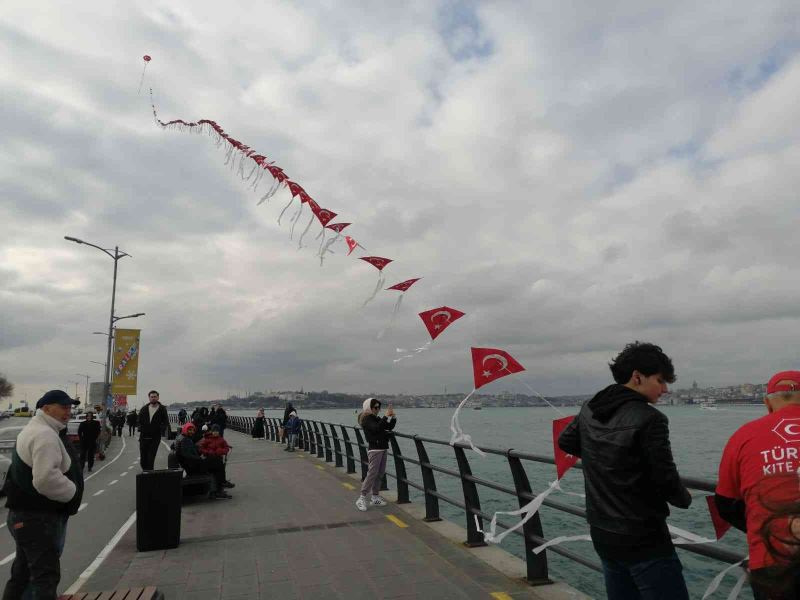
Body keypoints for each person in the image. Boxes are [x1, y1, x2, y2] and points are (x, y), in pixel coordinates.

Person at [558, 341, 691, 600]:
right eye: (661, 380)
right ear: (637, 376)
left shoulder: (592, 407)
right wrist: (686, 498)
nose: (664, 389)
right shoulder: (651, 418)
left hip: (602, 531)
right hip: (643, 536)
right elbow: (665, 479)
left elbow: (566, 441)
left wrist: (604, 458)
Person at [715, 371, 800, 599]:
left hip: (772, 559)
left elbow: (725, 503)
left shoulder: (744, 435)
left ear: (767, 403)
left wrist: (762, 526)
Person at [2, 390, 84, 599]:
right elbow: (45, 479)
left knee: (22, 573)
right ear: (46, 408)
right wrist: (72, 492)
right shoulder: (44, 435)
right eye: (63, 407)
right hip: (37, 517)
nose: (68, 411)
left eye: (70, 407)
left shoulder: (36, 429)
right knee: (45, 576)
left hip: (24, 515)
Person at [355, 398, 396, 511]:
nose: (378, 409)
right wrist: (385, 416)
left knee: (380, 473)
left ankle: (375, 496)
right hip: (375, 449)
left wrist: (392, 417)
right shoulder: (367, 419)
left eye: (379, 407)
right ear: (369, 408)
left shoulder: (376, 418)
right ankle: (362, 498)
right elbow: (376, 428)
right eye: (375, 407)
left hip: (382, 448)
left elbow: (388, 427)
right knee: (372, 473)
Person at [174, 423, 231, 499]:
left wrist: (201, 453)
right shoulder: (185, 440)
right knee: (218, 464)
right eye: (189, 430)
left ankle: (218, 487)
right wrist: (201, 459)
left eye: (192, 430)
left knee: (215, 461)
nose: (191, 432)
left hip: (189, 465)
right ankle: (219, 489)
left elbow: (189, 453)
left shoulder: (181, 438)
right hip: (192, 467)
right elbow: (188, 456)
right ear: (185, 430)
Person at [138, 390, 170, 470]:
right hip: (144, 436)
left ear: (158, 397)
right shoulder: (144, 409)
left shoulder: (162, 409)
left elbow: (166, 422)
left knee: (151, 457)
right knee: (143, 459)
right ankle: (146, 471)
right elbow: (139, 420)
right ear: (149, 398)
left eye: (155, 397)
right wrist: (140, 428)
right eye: (151, 397)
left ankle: (149, 475)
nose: (153, 398)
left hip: (155, 437)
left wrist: (160, 429)